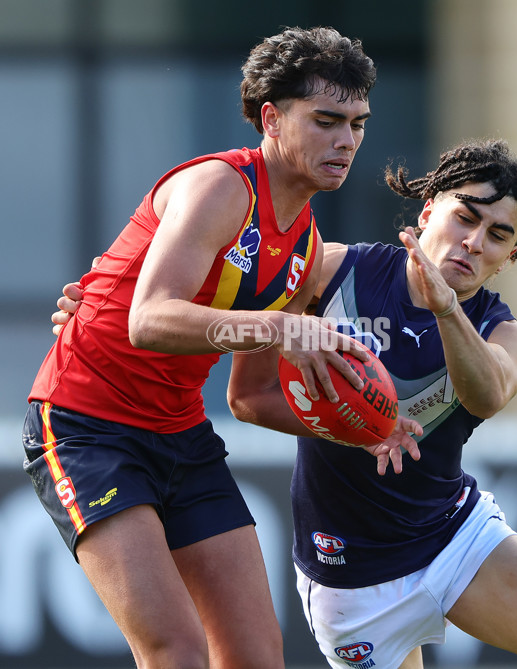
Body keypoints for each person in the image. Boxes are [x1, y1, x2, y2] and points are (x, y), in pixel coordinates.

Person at [24, 26, 421, 669]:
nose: (346, 141)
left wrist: (368, 430)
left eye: (358, 123)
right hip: (86, 428)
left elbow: (252, 396)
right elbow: (148, 319)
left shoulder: (306, 246)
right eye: (325, 120)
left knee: (255, 656)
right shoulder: (221, 186)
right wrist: (277, 326)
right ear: (271, 117)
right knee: (175, 650)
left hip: (181, 435)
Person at [226, 139, 517, 669]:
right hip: (349, 575)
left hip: (452, 537)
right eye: (464, 217)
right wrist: (106, 301)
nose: (473, 242)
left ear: (510, 256)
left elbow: (487, 394)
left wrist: (446, 309)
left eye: (498, 235)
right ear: (428, 212)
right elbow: (246, 396)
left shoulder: (507, 335)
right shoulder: (330, 273)